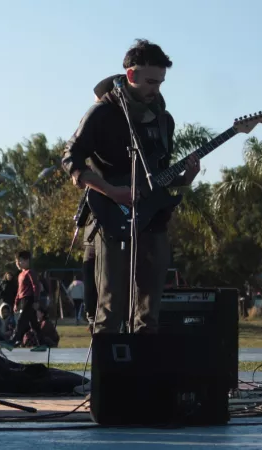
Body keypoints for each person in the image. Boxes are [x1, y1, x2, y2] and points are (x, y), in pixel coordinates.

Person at [61, 39, 200, 334]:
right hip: (111, 215)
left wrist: (186, 178)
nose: (156, 89)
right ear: (131, 76)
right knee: (110, 309)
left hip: (153, 220)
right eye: (151, 81)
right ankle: (106, 377)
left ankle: (143, 374)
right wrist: (111, 191)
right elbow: (70, 158)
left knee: (149, 311)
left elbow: (158, 176)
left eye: (161, 82)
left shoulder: (164, 121)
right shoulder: (100, 113)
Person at [11, 250, 42, 345]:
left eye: (20, 261)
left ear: (27, 261)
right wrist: (16, 303)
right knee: (34, 324)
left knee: (21, 320)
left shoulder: (30, 272)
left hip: (29, 299)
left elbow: (36, 286)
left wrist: (36, 300)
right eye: (17, 261)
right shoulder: (20, 274)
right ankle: (42, 343)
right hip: (23, 299)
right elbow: (19, 290)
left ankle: (13, 340)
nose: (18, 263)